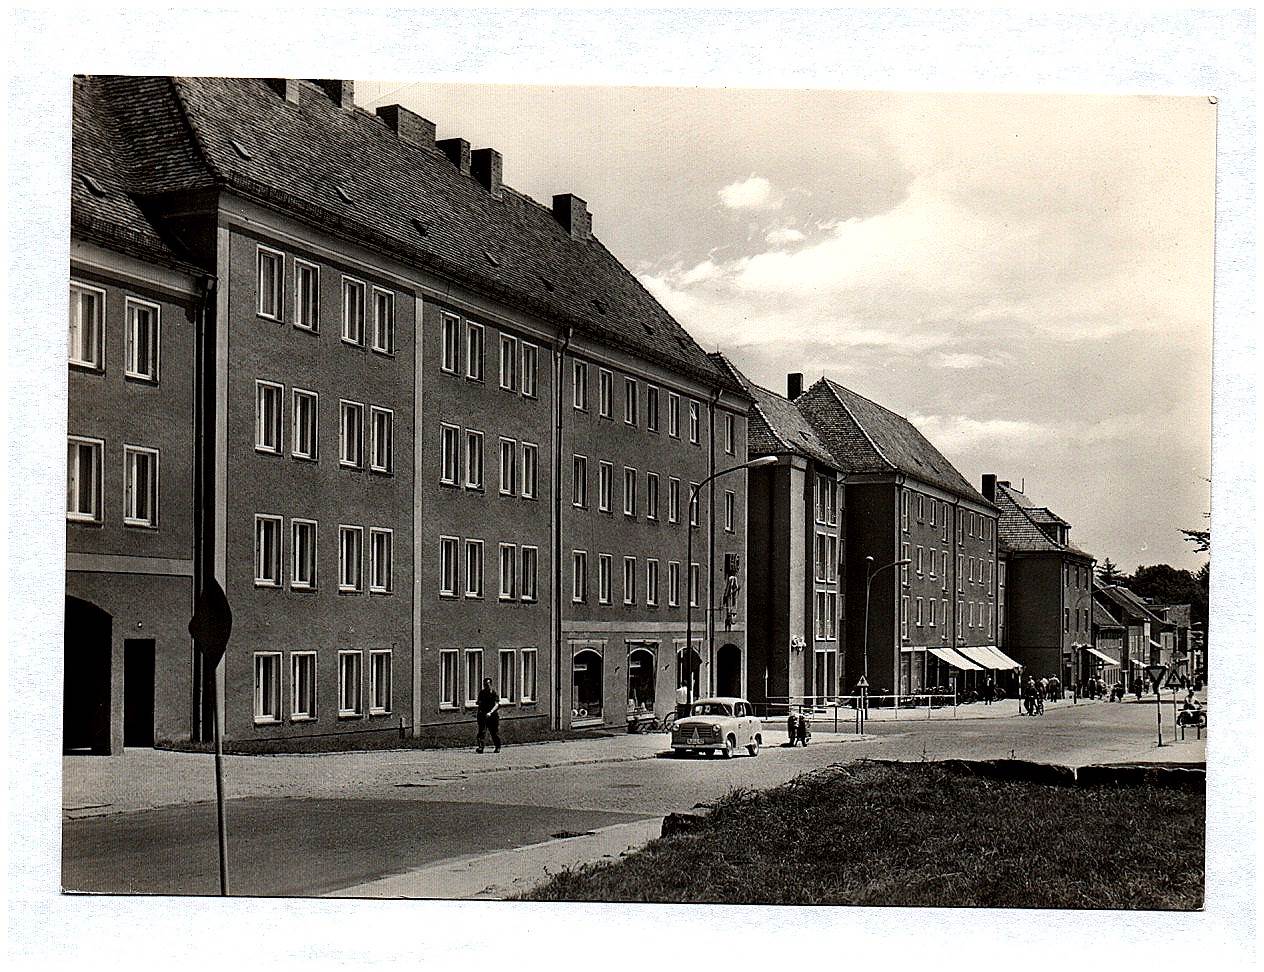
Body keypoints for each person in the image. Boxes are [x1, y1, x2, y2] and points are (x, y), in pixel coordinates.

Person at [475, 677, 501, 753]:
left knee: (494, 732)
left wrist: (490, 712)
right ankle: (481, 747)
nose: (486, 686)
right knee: (481, 732)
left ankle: (497, 746)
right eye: (485, 685)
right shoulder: (482, 693)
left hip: (492, 716)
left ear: (491, 684)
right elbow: (479, 702)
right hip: (483, 715)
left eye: (488, 684)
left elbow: (497, 704)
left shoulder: (494, 693)